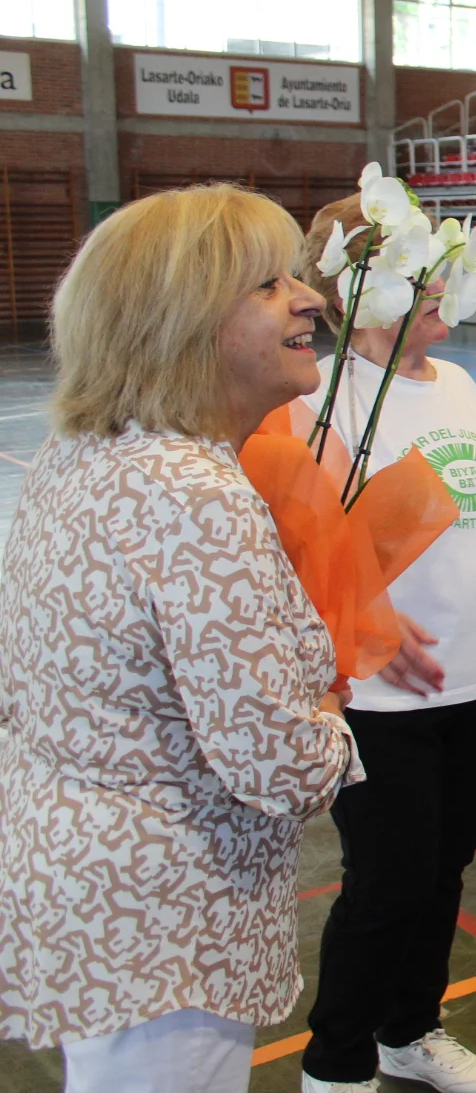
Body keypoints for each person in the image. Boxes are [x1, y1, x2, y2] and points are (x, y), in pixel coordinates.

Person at [0, 185, 360, 1091]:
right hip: (167, 918)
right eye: (270, 285)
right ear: (185, 323)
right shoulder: (192, 494)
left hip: (89, 891)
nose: (309, 299)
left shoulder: (85, 453)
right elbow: (278, 765)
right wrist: (328, 710)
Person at [296, 198, 476, 1093]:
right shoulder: (320, 401)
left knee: (443, 871)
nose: (442, 283)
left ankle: (410, 1029)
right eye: (417, 268)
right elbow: (301, 555)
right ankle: (336, 1062)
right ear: (358, 290)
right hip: (383, 694)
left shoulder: (461, 385)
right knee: (388, 881)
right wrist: (366, 623)